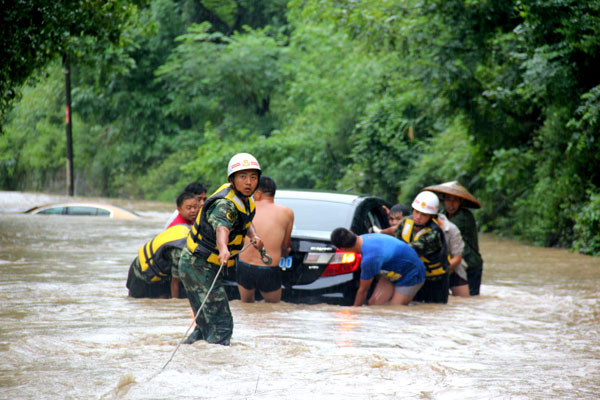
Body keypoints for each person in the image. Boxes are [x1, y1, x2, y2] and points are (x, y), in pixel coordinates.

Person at [178, 153, 264, 345]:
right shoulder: (224, 204)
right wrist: (223, 248)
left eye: (253, 177)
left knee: (205, 326)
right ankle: (219, 368)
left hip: (199, 265)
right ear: (232, 180)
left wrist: (254, 236)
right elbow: (222, 228)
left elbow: (244, 220)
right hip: (197, 266)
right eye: (243, 177)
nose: (249, 182)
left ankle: (193, 358)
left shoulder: (244, 199)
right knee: (222, 325)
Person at [330, 227, 425, 306]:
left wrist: (354, 313)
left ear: (343, 249)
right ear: (351, 232)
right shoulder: (364, 238)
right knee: (374, 305)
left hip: (412, 273)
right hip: (392, 272)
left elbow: (363, 290)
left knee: (395, 310)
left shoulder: (370, 259)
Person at [237, 176, 294, 303]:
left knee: (246, 306)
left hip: (244, 266)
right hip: (268, 269)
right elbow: (285, 245)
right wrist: (285, 252)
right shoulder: (287, 212)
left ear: (258, 193)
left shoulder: (245, 208)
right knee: (273, 309)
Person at [424, 181, 483, 296]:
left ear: (460, 201)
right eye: (448, 200)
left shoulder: (463, 216)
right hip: (453, 262)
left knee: (470, 300)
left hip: (470, 263)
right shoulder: (443, 213)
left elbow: (443, 228)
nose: (451, 204)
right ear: (443, 200)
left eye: (455, 200)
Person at [393, 191, 450, 304]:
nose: (418, 217)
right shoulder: (405, 222)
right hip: (414, 276)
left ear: (432, 216)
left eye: (423, 214)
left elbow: (408, 250)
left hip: (435, 280)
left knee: (434, 310)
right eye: (416, 212)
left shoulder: (434, 233)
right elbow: (396, 242)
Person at [126, 224, 190, 299]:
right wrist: (174, 304)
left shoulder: (189, 231)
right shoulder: (180, 250)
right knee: (141, 304)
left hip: (159, 270)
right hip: (142, 274)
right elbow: (175, 281)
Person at [437, 213, 469, 297]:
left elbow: (457, 258)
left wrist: (440, 270)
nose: (419, 217)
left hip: (453, 268)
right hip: (428, 270)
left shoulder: (451, 229)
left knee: (464, 301)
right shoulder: (414, 225)